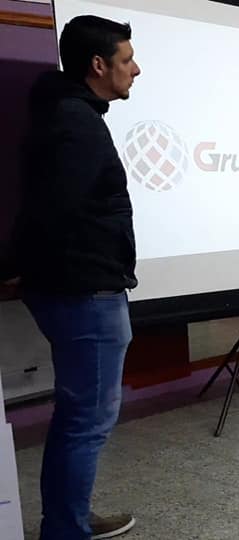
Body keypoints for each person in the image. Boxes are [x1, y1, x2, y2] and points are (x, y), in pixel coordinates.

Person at [12, 15, 141, 539]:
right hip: (85, 292)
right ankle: (66, 530)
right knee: (85, 423)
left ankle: (68, 520)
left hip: (76, 287)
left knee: (78, 419)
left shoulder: (68, 113)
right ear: (98, 65)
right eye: (127, 59)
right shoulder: (75, 121)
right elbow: (53, 211)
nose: (136, 69)